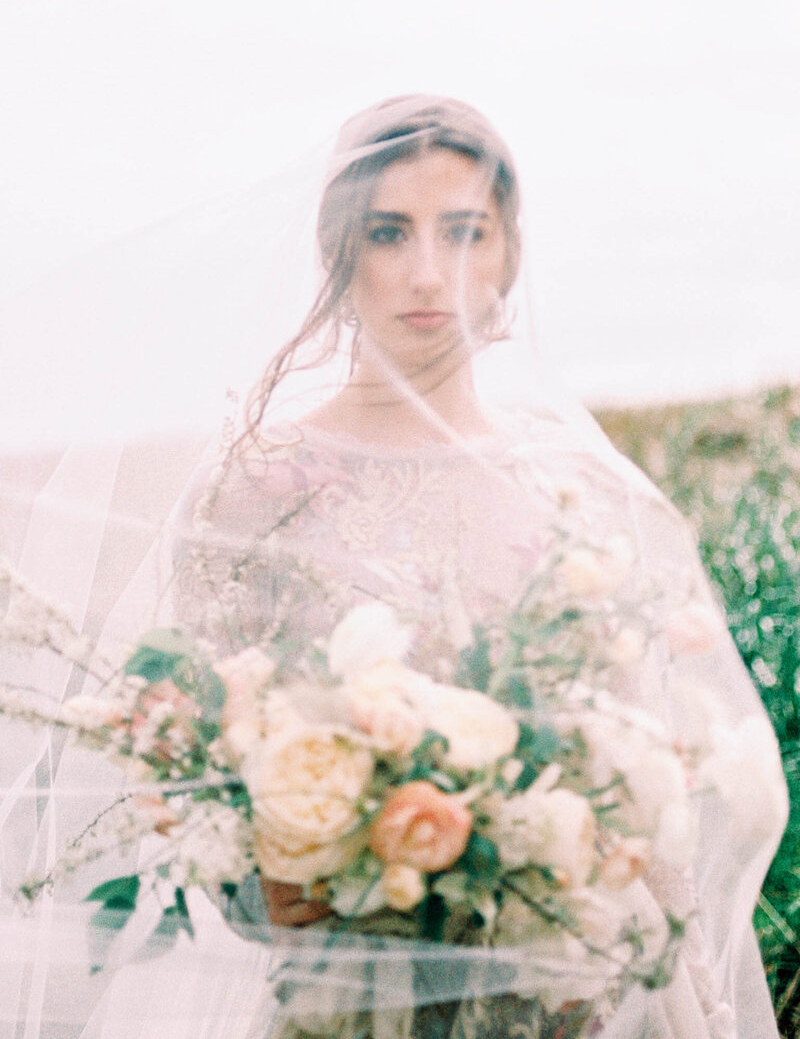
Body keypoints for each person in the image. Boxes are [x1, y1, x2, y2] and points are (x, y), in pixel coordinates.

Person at [0, 95, 788, 1038]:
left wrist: (679, 991)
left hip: (570, 1004)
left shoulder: (579, 496)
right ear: (342, 249)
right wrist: (279, 882)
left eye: (463, 232)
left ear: (508, 255)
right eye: (388, 232)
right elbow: (195, 778)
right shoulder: (256, 486)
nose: (428, 273)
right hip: (340, 1000)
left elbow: (647, 790)